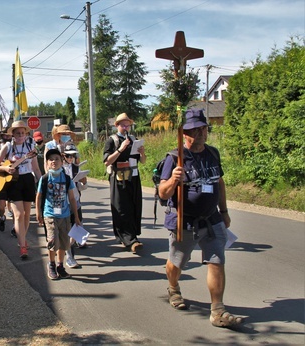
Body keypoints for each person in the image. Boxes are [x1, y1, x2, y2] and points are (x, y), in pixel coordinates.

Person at [158, 108, 243, 328]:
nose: (199, 134)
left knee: (216, 261)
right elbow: (163, 193)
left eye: (202, 129)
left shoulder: (213, 153)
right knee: (177, 262)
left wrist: (224, 212)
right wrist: (173, 180)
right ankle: (174, 288)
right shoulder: (175, 158)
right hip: (184, 221)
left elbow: (219, 183)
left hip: (211, 219)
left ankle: (218, 310)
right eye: (193, 130)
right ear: (184, 133)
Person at [0, 120, 42, 259]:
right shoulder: (7, 146)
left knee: (26, 214)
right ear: (13, 134)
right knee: (19, 215)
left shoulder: (30, 145)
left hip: (27, 180)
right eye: (18, 133)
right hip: (13, 181)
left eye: (23, 133)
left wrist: (42, 181)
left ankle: (22, 239)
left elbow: (35, 168)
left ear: (26, 134)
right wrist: (5, 168)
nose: (21, 135)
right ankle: (23, 247)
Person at [103, 113, 146, 253]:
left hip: (133, 176)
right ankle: (128, 239)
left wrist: (142, 153)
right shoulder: (112, 140)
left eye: (128, 125)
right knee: (121, 208)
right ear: (117, 126)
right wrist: (121, 148)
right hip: (119, 177)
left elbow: (143, 161)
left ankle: (132, 235)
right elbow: (107, 161)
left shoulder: (134, 139)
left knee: (134, 205)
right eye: (123, 125)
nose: (126, 127)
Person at [36, 148, 81, 280]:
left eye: (56, 159)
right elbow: (38, 196)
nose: (54, 161)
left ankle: (60, 266)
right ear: (47, 163)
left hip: (65, 215)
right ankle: (51, 264)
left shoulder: (67, 179)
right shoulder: (45, 178)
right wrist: (38, 213)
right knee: (52, 241)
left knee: (63, 243)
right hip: (50, 215)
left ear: (62, 161)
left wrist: (76, 217)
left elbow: (72, 198)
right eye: (51, 159)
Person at [62, 143, 87, 269]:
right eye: (68, 156)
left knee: (78, 226)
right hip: (63, 202)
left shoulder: (77, 168)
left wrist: (84, 182)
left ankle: (71, 247)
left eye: (73, 155)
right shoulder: (59, 169)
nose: (71, 158)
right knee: (67, 230)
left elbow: (81, 188)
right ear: (63, 156)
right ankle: (70, 257)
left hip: (76, 201)